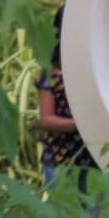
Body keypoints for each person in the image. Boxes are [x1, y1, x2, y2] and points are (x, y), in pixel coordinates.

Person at [37, 12, 98, 194]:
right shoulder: (52, 73)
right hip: (60, 163)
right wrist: (80, 125)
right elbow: (46, 119)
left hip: (93, 164)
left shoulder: (97, 70)